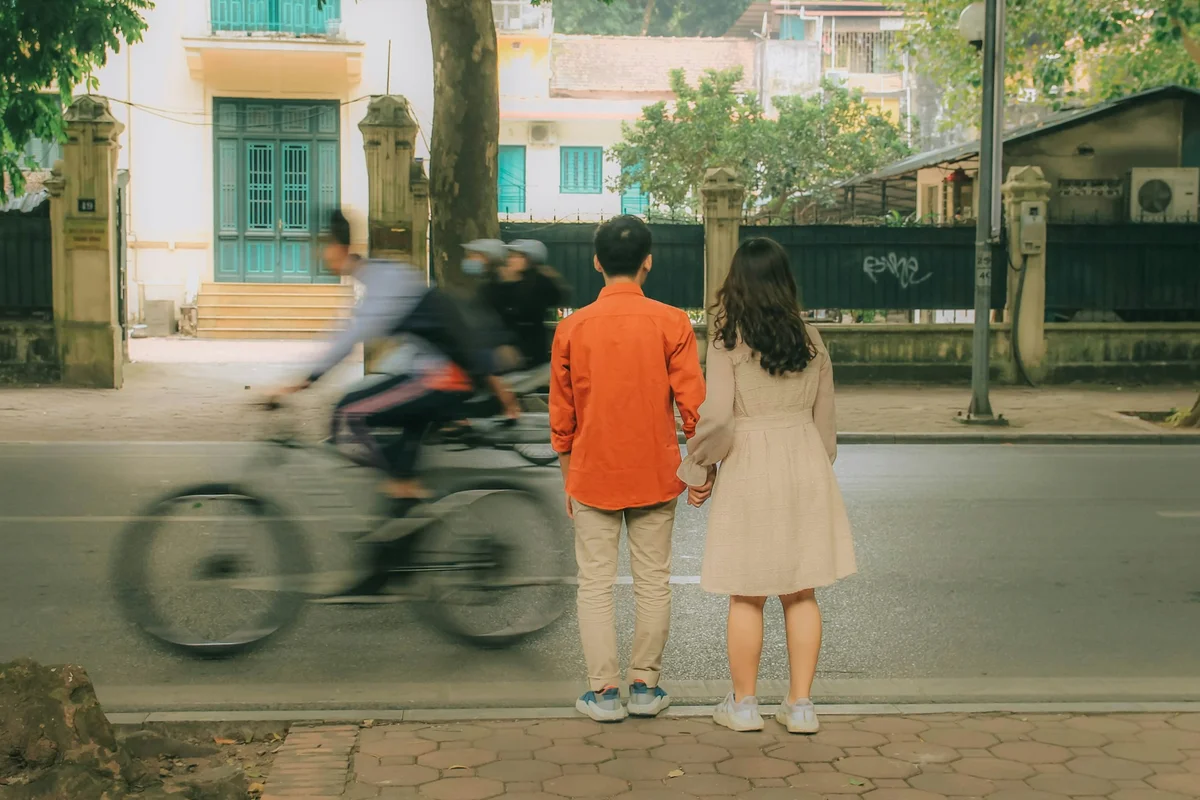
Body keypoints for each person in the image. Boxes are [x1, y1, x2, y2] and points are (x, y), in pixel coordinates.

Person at [678, 237, 856, 735]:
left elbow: (717, 420)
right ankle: (800, 706)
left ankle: (744, 705)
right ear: (785, 281)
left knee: (746, 593)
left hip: (750, 466)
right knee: (801, 592)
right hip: (804, 459)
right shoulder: (812, 339)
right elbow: (827, 428)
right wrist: (814, 467)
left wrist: (699, 470)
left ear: (738, 282)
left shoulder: (727, 341)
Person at [549, 215, 705, 722]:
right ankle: (645, 686)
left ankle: (603, 693)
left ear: (596, 262)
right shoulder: (672, 323)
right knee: (653, 580)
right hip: (655, 473)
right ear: (648, 262)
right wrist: (702, 469)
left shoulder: (571, 328)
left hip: (591, 473)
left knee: (594, 584)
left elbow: (562, 415)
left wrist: (568, 475)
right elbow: (693, 406)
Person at [271, 211, 519, 514]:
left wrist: (304, 380)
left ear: (339, 247)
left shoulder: (383, 280)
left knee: (348, 414)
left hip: (446, 377)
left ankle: (405, 486)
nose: (319, 254)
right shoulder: (382, 273)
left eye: (323, 246)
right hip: (437, 371)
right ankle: (404, 493)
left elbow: (352, 335)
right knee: (389, 410)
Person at [479, 239, 569, 369]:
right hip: (504, 353)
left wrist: (509, 284)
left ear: (530, 260)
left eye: (517, 256)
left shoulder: (540, 283)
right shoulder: (500, 282)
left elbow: (552, 298)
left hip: (529, 354)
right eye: (510, 256)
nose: (510, 260)